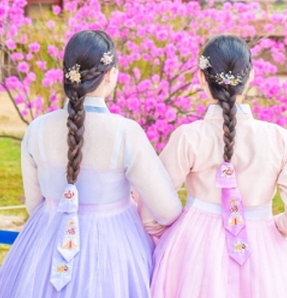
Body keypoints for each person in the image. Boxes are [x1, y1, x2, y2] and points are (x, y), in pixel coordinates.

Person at [0, 29, 182, 298]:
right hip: (114, 246)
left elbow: (32, 204)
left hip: (45, 241)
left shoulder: (37, 129)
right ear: (110, 74)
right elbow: (167, 210)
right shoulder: (125, 132)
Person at [144, 34, 287, 298]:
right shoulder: (278, 138)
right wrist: (271, 226)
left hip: (194, 246)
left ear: (201, 77)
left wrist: (167, 232)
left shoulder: (188, 136)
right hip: (263, 245)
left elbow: (152, 201)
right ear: (252, 75)